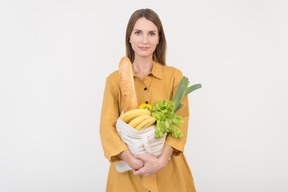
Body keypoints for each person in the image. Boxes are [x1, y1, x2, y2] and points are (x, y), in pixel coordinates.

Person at [100, 8, 197, 192]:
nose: (144, 40)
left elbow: (181, 123)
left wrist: (161, 161)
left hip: (169, 172)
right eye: (138, 33)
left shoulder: (175, 77)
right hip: (127, 175)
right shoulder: (114, 80)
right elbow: (107, 128)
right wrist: (132, 161)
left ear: (159, 38)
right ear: (129, 37)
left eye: (151, 33)